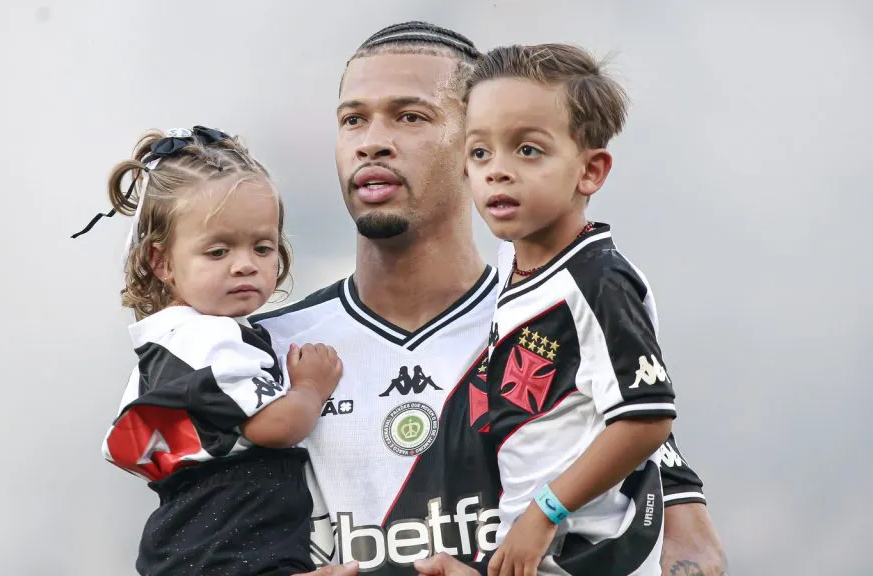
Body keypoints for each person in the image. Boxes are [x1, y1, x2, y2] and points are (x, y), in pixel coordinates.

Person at [252, 22, 727, 576]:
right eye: (353, 119)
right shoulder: (268, 351)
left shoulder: (559, 319)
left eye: (411, 116)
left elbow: (694, 558)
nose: (372, 141)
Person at [85, 126, 343, 575]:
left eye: (262, 247)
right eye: (218, 251)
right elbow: (277, 427)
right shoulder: (208, 341)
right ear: (162, 262)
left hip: (191, 541)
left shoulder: (164, 346)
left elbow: (132, 451)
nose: (245, 264)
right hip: (229, 545)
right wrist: (309, 388)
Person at [465, 43, 674, 575]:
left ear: (590, 171)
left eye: (527, 150)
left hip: (595, 553)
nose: (497, 171)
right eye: (480, 152)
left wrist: (545, 512)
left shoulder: (599, 281)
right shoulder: (512, 262)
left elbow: (647, 419)